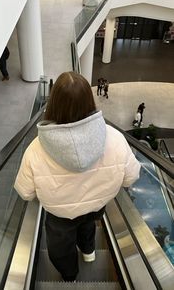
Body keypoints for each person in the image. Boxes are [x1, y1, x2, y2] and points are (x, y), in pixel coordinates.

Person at [14, 71, 140, 282]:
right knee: (88, 225)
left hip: (59, 215)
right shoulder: (115, 139)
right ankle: (88, 251)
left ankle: (69, 275)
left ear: (53, 104)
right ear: (89, 102)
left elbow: (25, 193)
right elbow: (130, 178)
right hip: (95, 207)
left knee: (60, 246)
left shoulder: (35, 150)